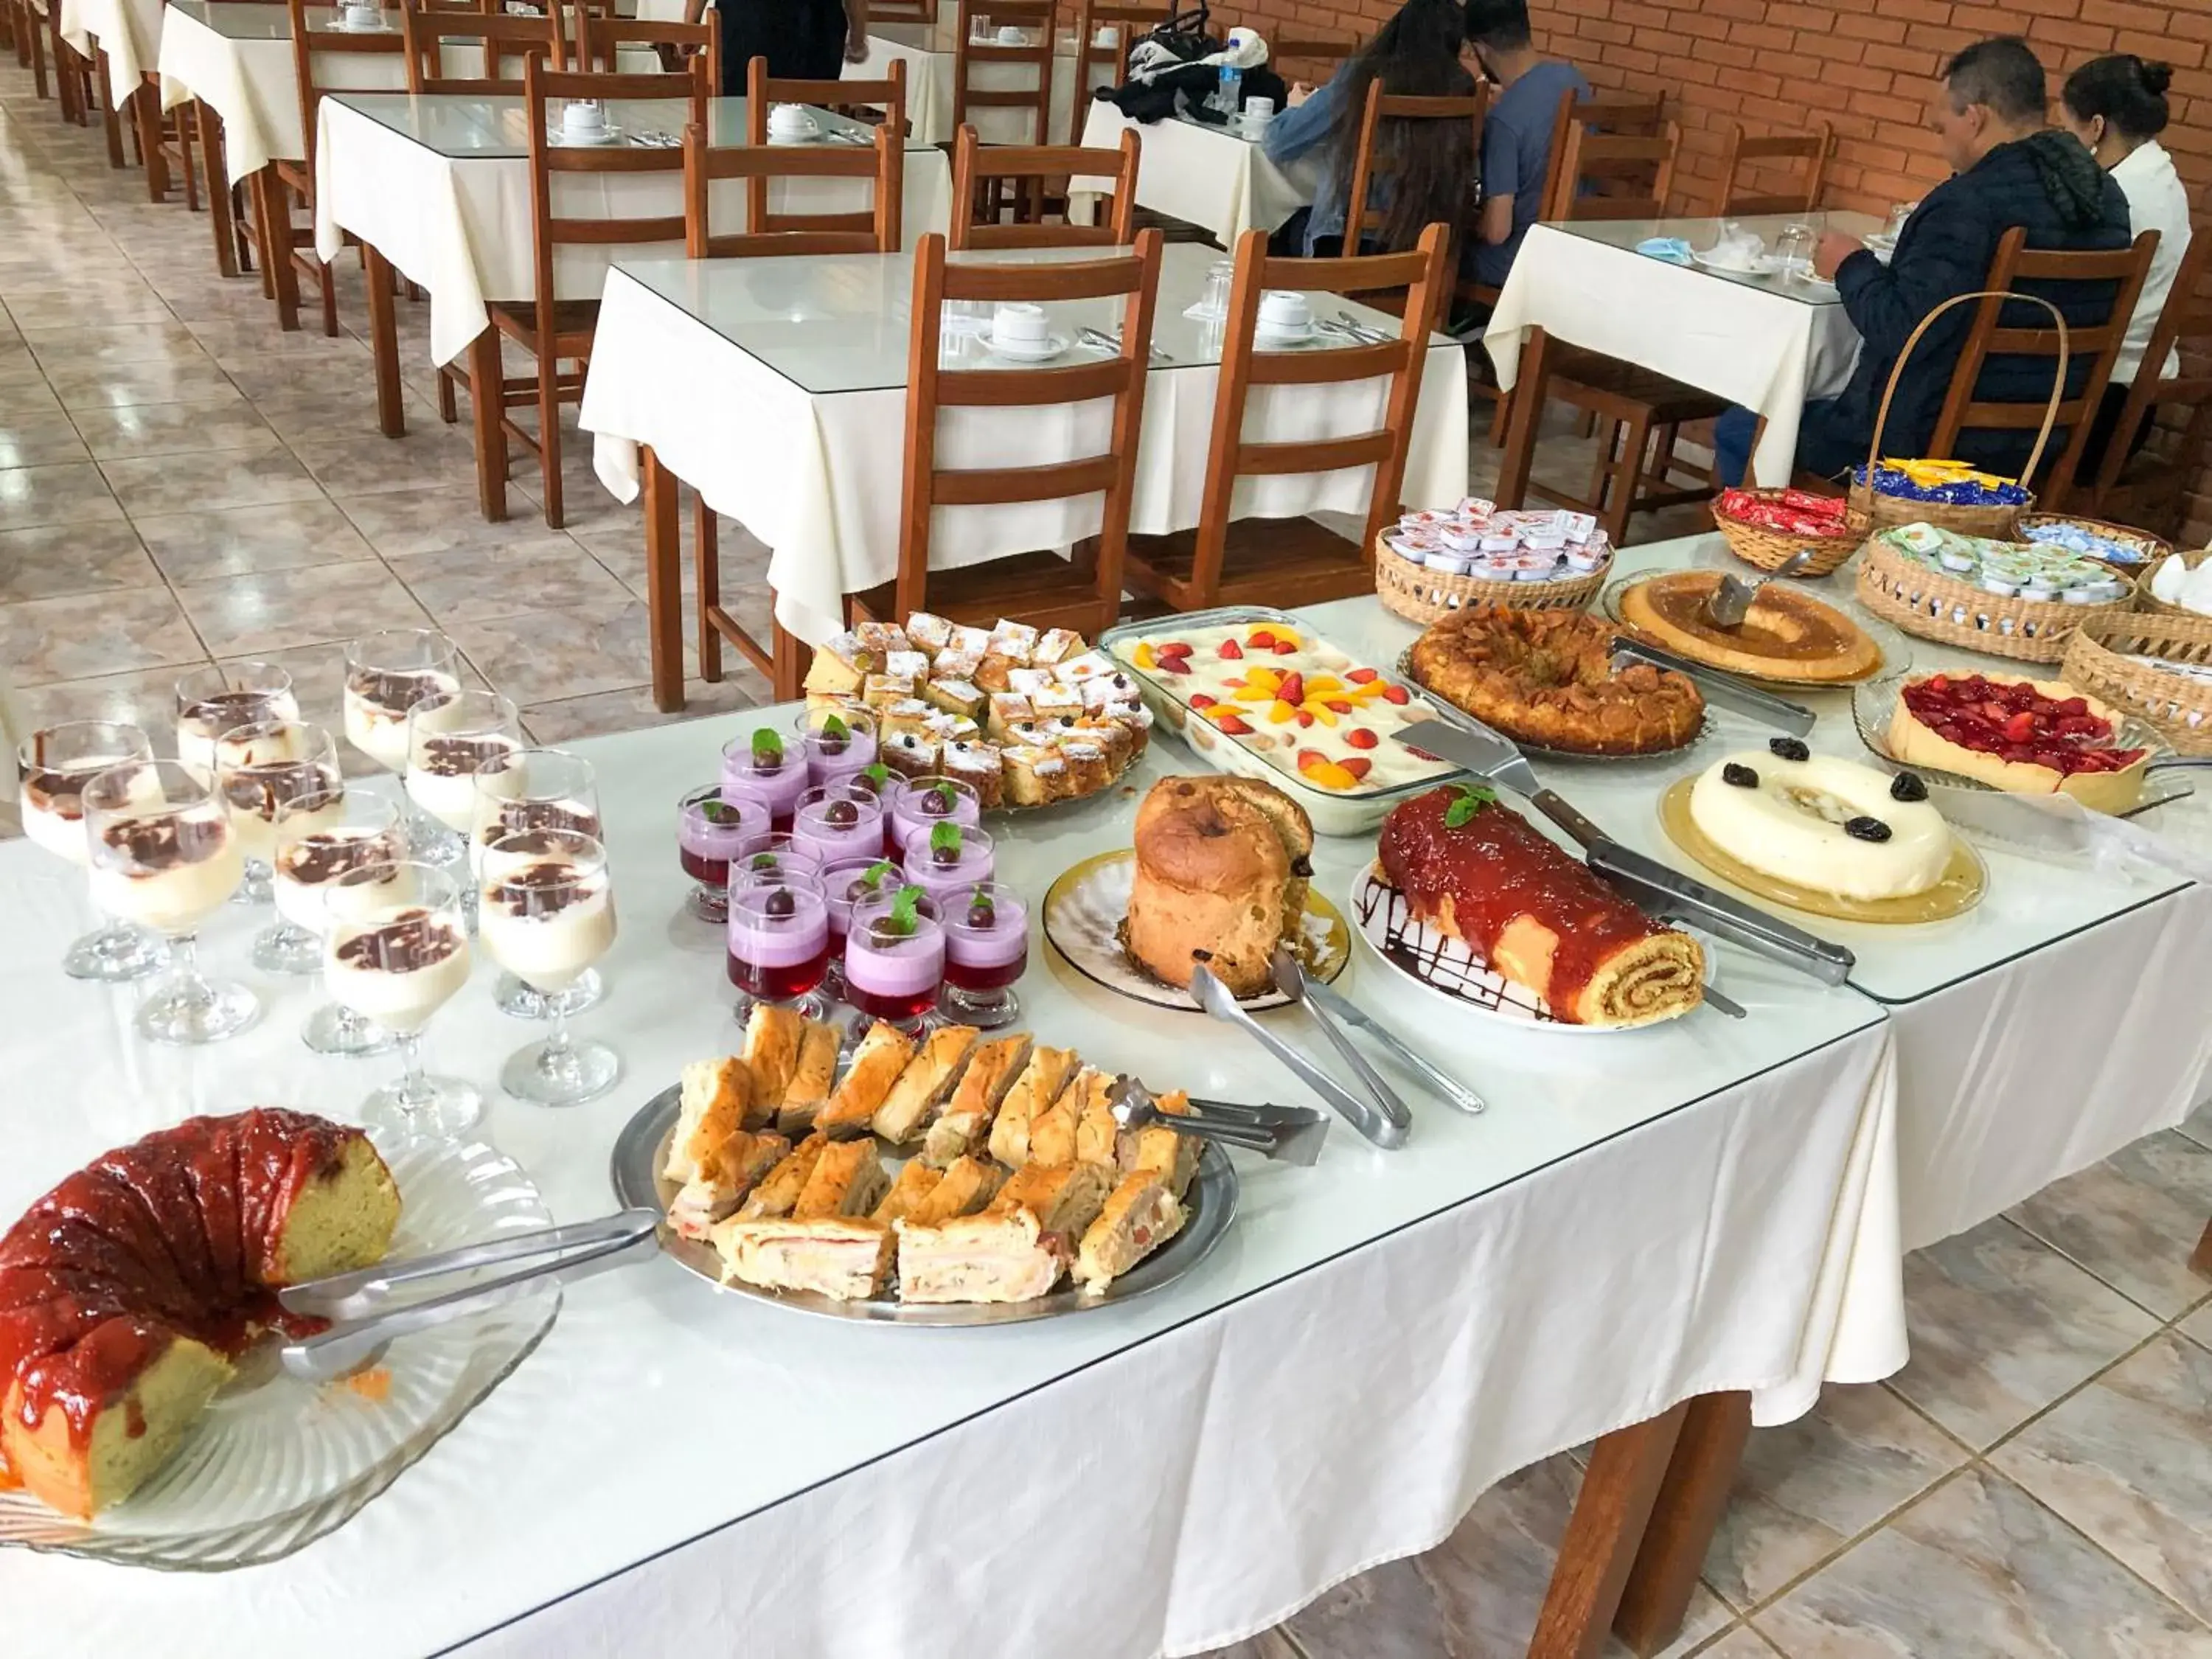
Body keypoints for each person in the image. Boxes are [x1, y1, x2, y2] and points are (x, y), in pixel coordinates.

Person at [1714, 37, 2133, 488]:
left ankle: (1774, 549)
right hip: (2039, 449)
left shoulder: (1969, 202)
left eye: (1940, 128)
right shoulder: (2108, 200)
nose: (1941, 145)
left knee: (1745, 426)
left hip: (1927, 453)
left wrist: (1850, 263)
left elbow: (1904, 329)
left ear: (1974, 118)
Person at [1262, 0, 1478, 257]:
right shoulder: (1463, 89)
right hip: (1422, 249)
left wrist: (1296, 107)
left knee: (1277, 228)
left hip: (1344, 246)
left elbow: (1278, 143)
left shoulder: (1364, 74)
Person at [2058, 53, 2192, 467]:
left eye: (2067, 132)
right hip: (2131, 405)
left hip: (2093, 415)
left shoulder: (2115, 197)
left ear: (2097, 127)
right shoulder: (2162, 179)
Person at [1463, 0, 1587, 291]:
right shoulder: (1575, 82)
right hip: (1571, 251)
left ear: (1481, 50)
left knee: (1440, 248)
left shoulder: (1504, 122)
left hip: (1515, 263)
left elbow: (1497, 231)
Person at [684, 0, 869, 95]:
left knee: (739, 116)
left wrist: (692, 24)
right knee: (807, 124)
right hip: (814, 30)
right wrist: (857, 39)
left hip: (746, 27)